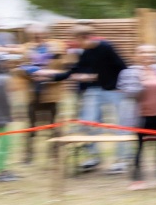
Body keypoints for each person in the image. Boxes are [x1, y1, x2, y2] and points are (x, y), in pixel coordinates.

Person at [44, 24, 129, 172]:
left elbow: (122, 67)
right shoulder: (86, 52)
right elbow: (75, 70)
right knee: (88, 122)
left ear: (85, 37)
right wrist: (53, 76)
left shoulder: (106, 47)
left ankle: (122, 160)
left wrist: (121, 86)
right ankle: (93, 156)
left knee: (120, 124)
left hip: (114, 90)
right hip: (95, 89)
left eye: (75, 40)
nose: (75, 43)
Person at [118, 45, 156, 190]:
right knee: (139, 148)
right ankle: (136, 180)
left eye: (152, 52)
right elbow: (129, 93)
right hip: (140, 115)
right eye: (144, 52)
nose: (148, 55)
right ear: (136, 55)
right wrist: (140, 81)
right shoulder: (129, 72)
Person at [16, 23, 67, 163]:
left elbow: (64, 69)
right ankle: (28, 155)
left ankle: (54, 154)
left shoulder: (57, 46)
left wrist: (49, 75)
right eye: (34, 36)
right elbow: (19, 69)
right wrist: (29, 74)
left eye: (39, 35)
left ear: (46, 34)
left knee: (54, 124)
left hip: (51, 92)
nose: (37, 38)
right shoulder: (26, 48)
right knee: (31, 125)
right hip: (33, 92)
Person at [0, 54, 17, 182]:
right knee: (3, 145)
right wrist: (9, 115)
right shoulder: (2, 79)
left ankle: (1, 170)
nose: (6, 65)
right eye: (3, 62)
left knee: (0, 144)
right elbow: (5, 100)